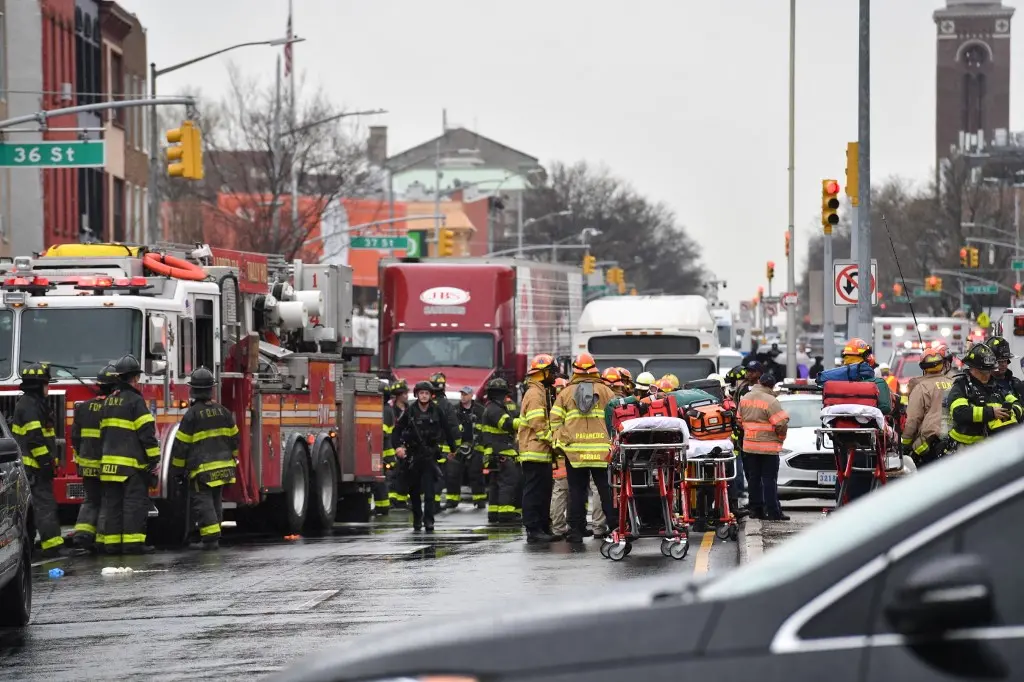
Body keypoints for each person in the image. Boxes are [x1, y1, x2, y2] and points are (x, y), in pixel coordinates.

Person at [549, 352, 616, 545]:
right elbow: (616, 419)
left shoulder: (565, 393)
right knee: (606, 490)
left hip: (575, 453)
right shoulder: (605, 391)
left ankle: (575, 532)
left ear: (575, 371)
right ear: (595, 369)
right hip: (602, 453)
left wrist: (562, 443)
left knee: (576, 491)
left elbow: (555, 421)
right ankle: (614, 527)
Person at [816, 338, 894, 502]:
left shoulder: (834, 383)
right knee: (862, 475)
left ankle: (842, 502)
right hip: (867, 440)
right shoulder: (877, 382)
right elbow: (886, 408)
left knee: (843, 471)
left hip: (841, 437)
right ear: (867, 357)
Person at [170, 367, 239, 550]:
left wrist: (177, 472)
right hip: (224, 467)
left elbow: (181, 446)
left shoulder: (191, 415)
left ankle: (210, 539)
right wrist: (233, 459)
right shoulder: (223, 412)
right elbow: (235, 439)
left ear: (192, 390)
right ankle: (213, 534)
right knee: (215, 500)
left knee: (203, 501)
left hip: (202, 470)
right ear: (211, 389)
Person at [98, 354, 160, 555]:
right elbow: (146, 434)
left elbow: (102, 433)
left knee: (113, 506)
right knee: (133, 504)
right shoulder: (135, 401)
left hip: (108, 466)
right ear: (135, 378)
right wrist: (154, 458)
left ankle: (112, 545)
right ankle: (133, 544)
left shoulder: (108, 401)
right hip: (131, 467)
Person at [12, 362, 64, 558]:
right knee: (45, 506)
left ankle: (30, 547)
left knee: (31, 510)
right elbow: (35, 439)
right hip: (33, 468)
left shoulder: (32, 404)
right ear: (38, 385)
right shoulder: (31, 406)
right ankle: (53, 547)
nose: (48, 388)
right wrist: (44, 463)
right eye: (46, 384)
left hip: (30, 467)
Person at [393, 380, 457, 532]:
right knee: (414, 492)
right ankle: (417, 519)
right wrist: (398, 448)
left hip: (429, 456)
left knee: (429, 492)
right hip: (413, 457)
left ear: (431, 395)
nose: (423, 396)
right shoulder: (409, 411)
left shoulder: (437, 410)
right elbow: (396, 432)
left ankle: (429, 521)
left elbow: (447, 430)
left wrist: (453, 449)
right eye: (421, 393)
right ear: (417, 394)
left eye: (426, 393)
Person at [70, 363, 119, 555]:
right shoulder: (113, 407)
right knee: (107, 500)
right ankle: (101, 538)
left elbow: (75, 437)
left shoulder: (84, 407)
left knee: (90, 499)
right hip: (106, 464)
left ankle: (82, 534)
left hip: (87, 463)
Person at [945, 343, 1022, 453]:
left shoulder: (995, 385)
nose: (987, 374)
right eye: (984, 371)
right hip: (965, 449)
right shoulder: (961, 386)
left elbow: (1016, 403)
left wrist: (1012, 412)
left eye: (989, 370)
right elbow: (959, 412)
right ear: (972, 368)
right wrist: (991, 413)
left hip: (992, 448)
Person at [516, 354, 558, 543]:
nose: (554, 376)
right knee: (534, 491)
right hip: (534, 452)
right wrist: (553, 441)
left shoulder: (541, 391)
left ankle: (542, 527)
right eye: (552, 372)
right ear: (543, 373)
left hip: (541, 452)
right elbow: (537, 423)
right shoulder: (534, 394)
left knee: (544, 491)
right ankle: (533, 529)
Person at [737, 373, 790, 521]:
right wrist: (780, 438)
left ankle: (756, 511)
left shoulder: (745, 398)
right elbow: (781, 424)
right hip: (769, 448)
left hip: (749, 446)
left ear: (759, 382)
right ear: (771, 386)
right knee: (769, 480)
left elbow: (739, 420)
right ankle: (773, 512)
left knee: (753, 479)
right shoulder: (771, 401)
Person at [477, 378, 521, 524]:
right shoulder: (495, 409)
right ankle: (506, 514)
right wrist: (525, 422)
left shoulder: (491, 407)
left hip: (494, 454)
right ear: (501, 394)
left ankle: (494, 513)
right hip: (502, 453)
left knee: (496, 485)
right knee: (508, 483)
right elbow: (507, 424)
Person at [900, 347, 953, 467]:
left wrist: (905, 444)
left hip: (930, 444)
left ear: (923, 367)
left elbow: (912, 419)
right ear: (942, 364)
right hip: (954, 441)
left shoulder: (921, 387)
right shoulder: (954, 383)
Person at [447, 385, 486, 509]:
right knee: (453, 474)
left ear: (471, 395)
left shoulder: (480, 410)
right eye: (462, 394)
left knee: (476, 474)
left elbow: (484, 429)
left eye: (465, 394)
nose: (463, 397)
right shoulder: (454, 410)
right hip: (458, 447)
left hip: (476, 447)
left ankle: (479, 500)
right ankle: (452, 500)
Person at [429, 372, 461, 513]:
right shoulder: (447, 406)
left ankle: (431, 503)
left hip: (428, 449)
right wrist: (455, 449)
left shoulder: (426, 405)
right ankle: (434, 505)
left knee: (430, 476)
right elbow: (454, 428)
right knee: (440, 477)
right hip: (443, 450)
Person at [549, 377, 569, 539]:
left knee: (560, 490)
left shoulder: (553, 404)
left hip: (557, 452)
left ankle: (558, 525)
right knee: (561, 490)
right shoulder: (563, 405)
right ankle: (558, 527)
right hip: (563, 452)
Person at [386, 379, 410, 509]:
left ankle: (402, 500)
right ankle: (391, 500)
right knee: (392, 474)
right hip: (392, 445)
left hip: (406, 446)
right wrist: (396, 448)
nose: (406, 396)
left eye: (406, 393)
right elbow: (390, 432)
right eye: (404, 394)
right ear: (398, 395)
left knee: (406, 474)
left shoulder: (409, 409)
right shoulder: (391, 410)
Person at [373, 378, 393, 516]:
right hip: (383, 452)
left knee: (381, 482)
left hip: (384, 452)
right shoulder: (386, 409)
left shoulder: (385, 411)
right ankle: (381, 506)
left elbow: (382, 432)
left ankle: (383, 507)